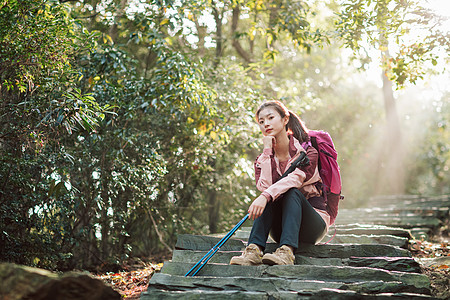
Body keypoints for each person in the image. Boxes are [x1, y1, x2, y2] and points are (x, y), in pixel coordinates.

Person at [230, 100, 330, 266]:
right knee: (270, 194)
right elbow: (265, 187)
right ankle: (254, 251)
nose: (266, 124)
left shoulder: (308, 152)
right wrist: (268, 152)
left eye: (270, 118)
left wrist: (266, 195)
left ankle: (286, 252)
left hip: (313, 225)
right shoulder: (262, 159)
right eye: (261, 122)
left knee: (290, 191)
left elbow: (296, 179)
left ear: (285, 119)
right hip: (281, 228)